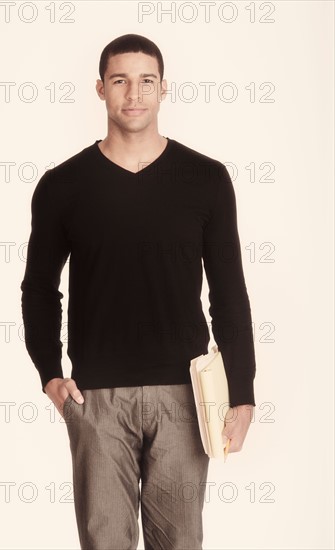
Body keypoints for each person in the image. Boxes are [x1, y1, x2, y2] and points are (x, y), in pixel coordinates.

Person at [20, 33, 256, 550]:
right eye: (121, 80)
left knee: (181, 543)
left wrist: (242, 393)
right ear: (100, 89)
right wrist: (49, 374)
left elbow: (229, 291)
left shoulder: (206, 179)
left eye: (146, 81)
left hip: (186, 397)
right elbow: (39, 287)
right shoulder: (64, 185)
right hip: (97, 397)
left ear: (163, 89)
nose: (134, 94)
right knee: (104, 544)